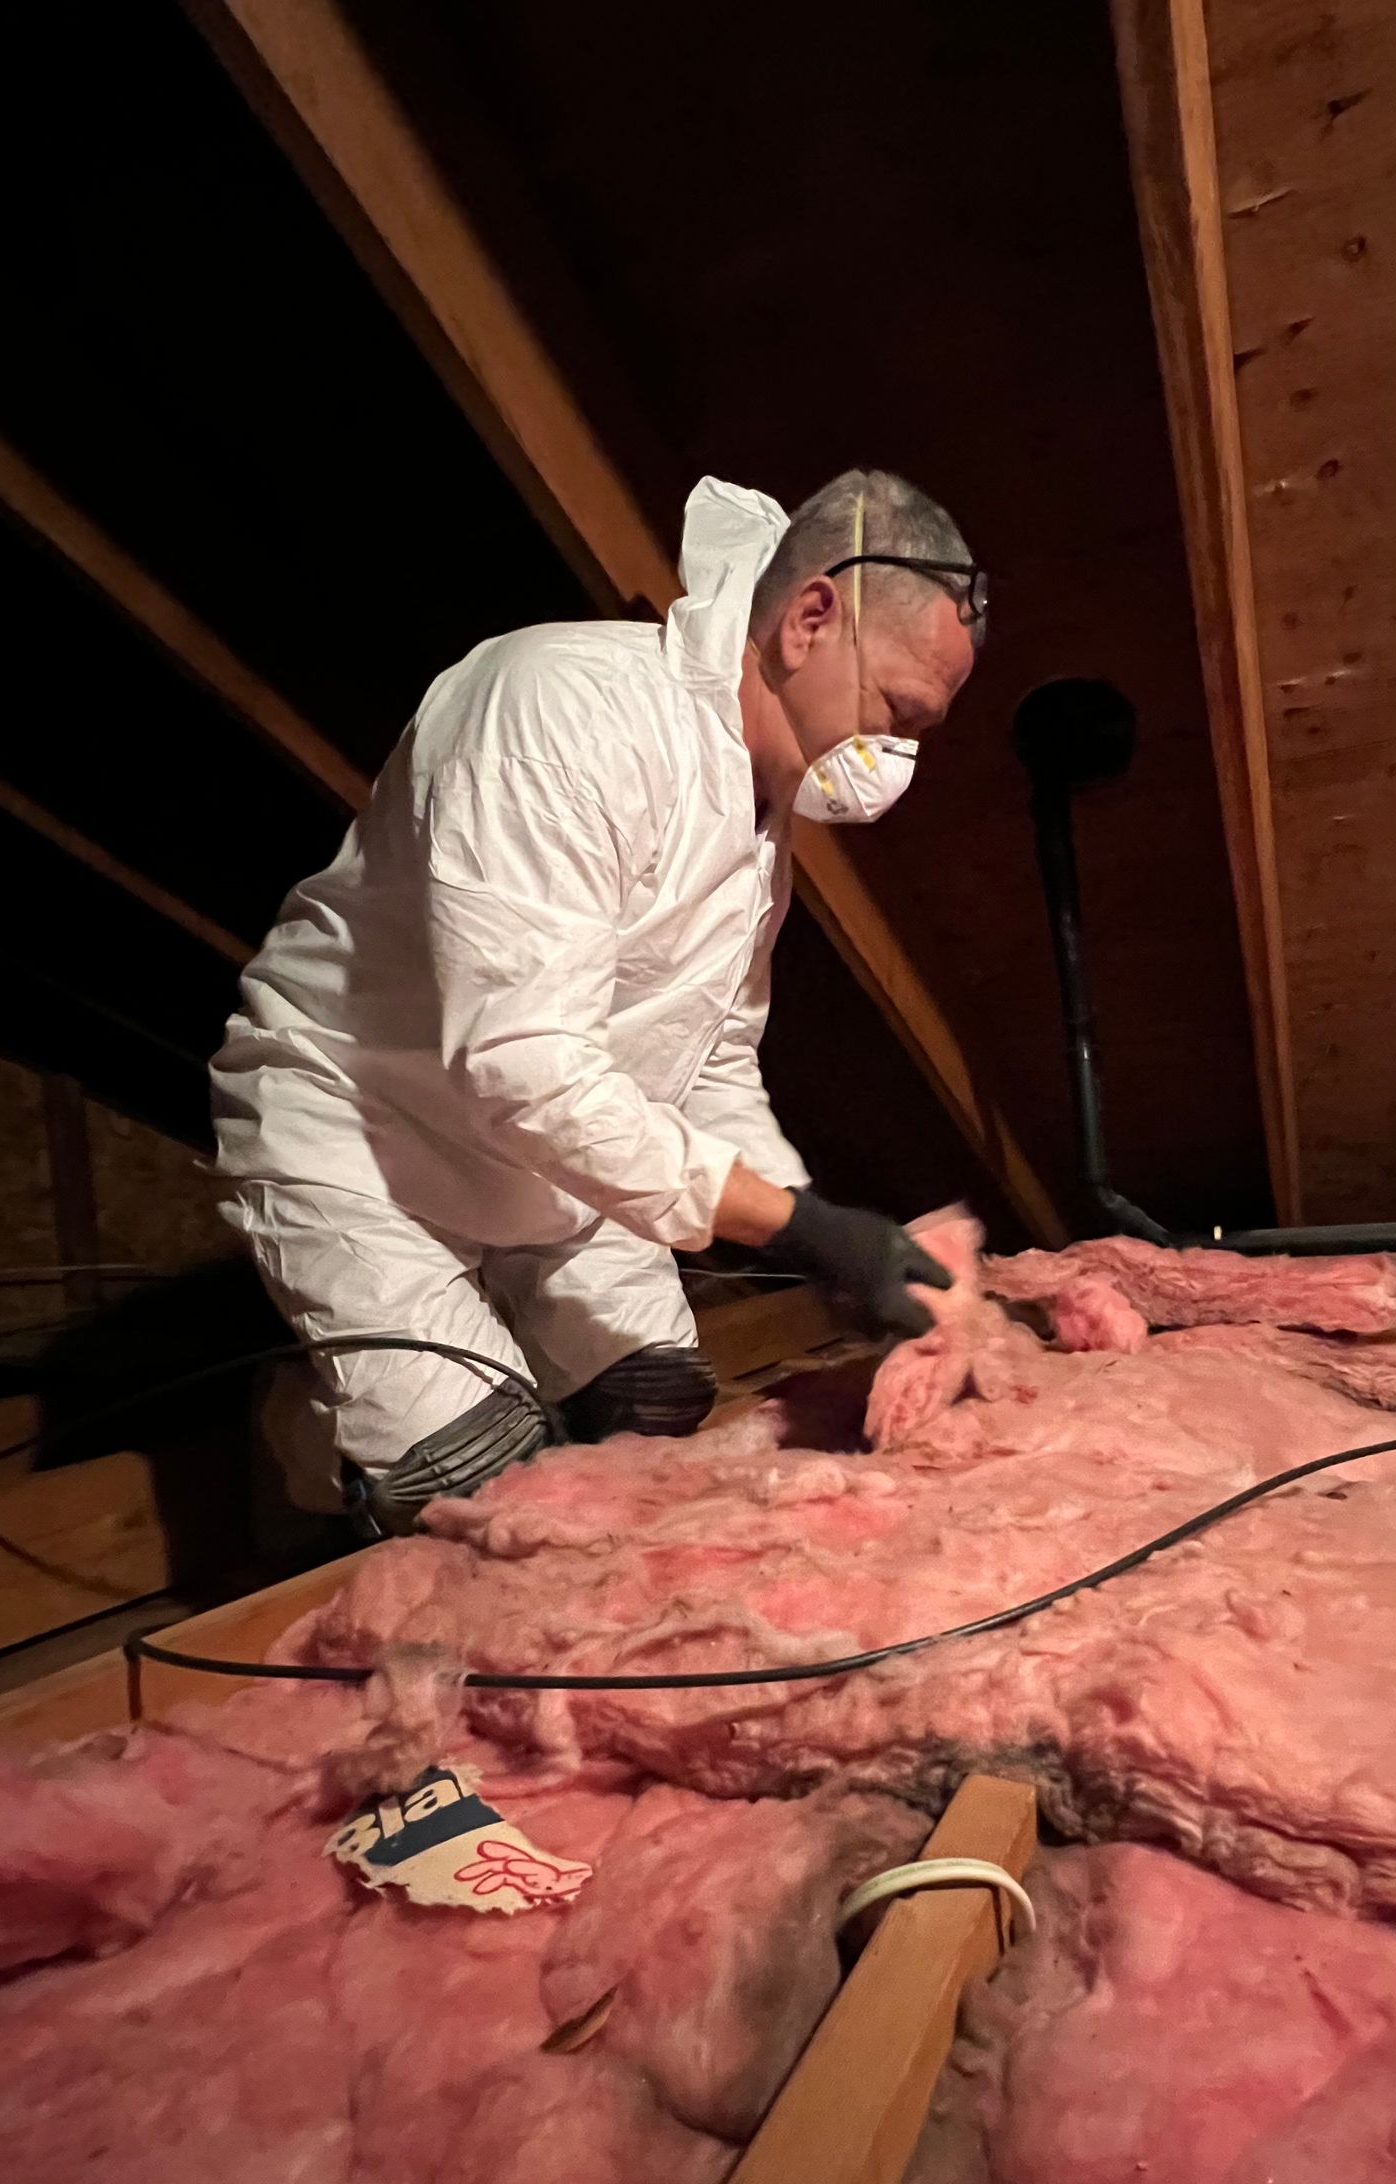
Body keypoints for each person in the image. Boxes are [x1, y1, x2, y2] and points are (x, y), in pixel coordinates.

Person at [212, 468, 987, 1533]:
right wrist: (799, 1227)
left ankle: (474, 1368)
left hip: (559, 1160)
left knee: (650, 1405)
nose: (900, 752)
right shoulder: (562, 716)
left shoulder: (762, 830)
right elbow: (522, 1062)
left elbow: (707, 1057)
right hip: (379, 1137)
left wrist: (814, 1219)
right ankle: (316, 1443)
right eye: (901, 713)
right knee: (481, 1485)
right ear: (813, 617)